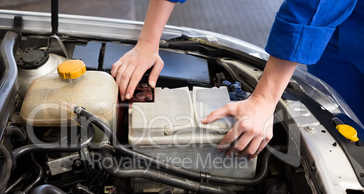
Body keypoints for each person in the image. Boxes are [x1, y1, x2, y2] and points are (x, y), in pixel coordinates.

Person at [111, 0, 364, 159]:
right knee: (342, 122)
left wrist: (264, 100)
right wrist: (147, 43)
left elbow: (313, 8)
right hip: (335, 32)